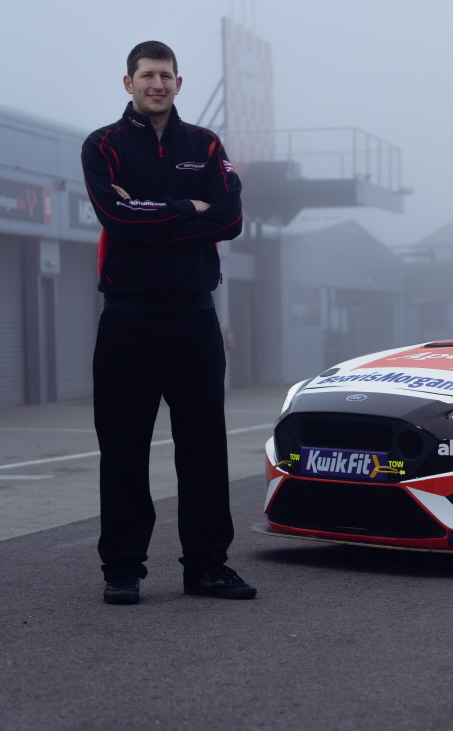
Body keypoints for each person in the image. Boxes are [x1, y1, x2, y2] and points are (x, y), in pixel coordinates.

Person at [82, 40, 256, 604]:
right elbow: (116, 217)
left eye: (166, 76)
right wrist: (188, 208)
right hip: (129, 319)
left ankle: (206, 566)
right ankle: (123, 568)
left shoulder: (204, 145)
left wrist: (154, 214)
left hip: (195, 320)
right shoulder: (102, 146)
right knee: (124, 446)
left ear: (179, 84)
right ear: (128, 82)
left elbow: (230, 218)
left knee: (204, 446)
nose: (156, 84)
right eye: (146, 75)